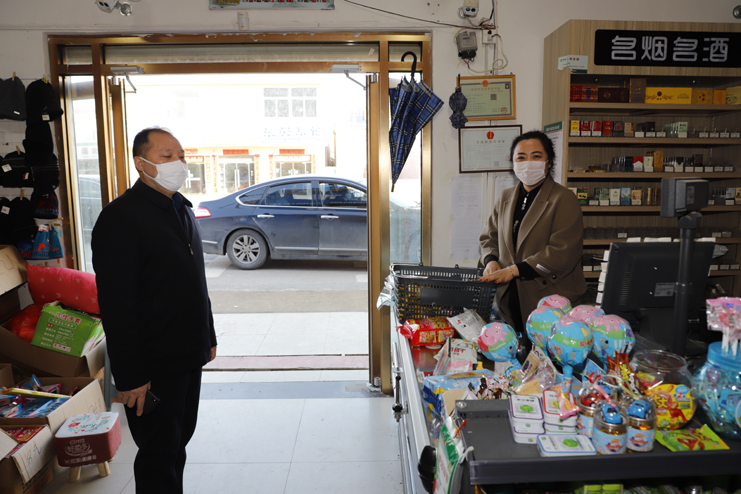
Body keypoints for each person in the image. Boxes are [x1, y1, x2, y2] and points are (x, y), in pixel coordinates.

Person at [92, 127, 217, 494]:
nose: (179, 163)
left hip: (187, 355)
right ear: (141, 163)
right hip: (153, 365)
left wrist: (207, 336)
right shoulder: (121, 218)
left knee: (177, 445)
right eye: (167, 156)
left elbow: (195, 282)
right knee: (158, 454)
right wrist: (131, 376)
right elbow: (117, 305)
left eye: (182, 156)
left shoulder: (181, 209)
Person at [479, 130, 586, 356]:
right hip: (510, 299)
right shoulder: (506, 197)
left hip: (548, 302)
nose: (528, 163)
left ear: (549, 162)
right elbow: (490, 236)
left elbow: (562, 252)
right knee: (518, 360)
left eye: (536, 156)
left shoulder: (563, 198)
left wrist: (513, 270)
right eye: (521, 157)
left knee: (550, 362)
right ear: (513, 163)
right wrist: (490, 260)